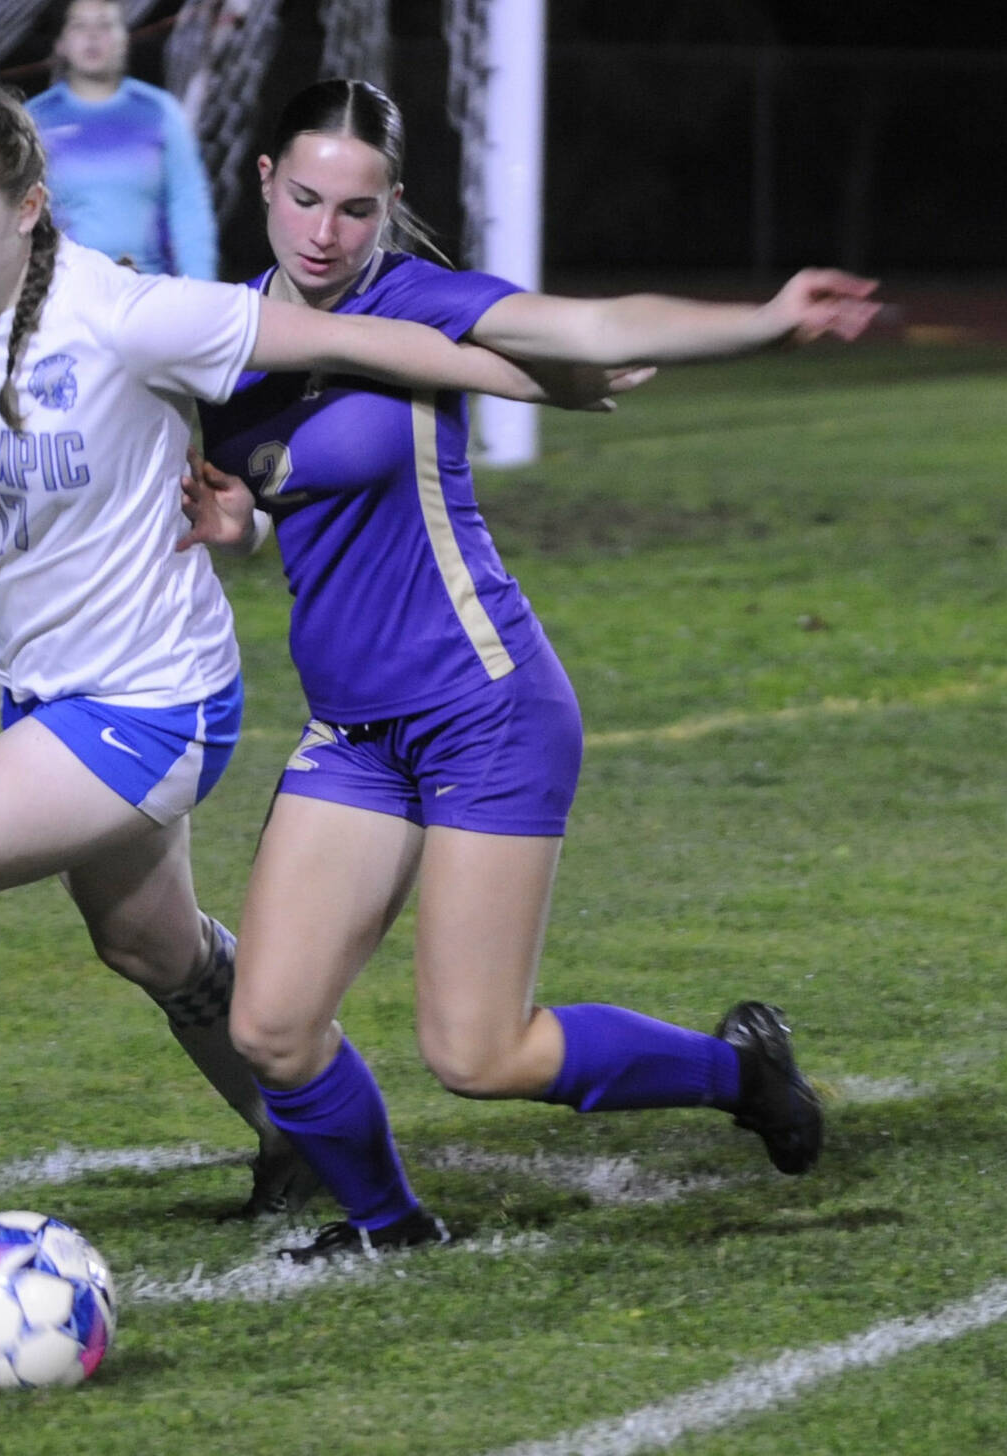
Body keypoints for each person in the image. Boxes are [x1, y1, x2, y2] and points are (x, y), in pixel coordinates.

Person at [0, 78, 621, 1230]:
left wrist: (545, 378)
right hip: (45, 694)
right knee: (154, 952)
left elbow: (348, 335)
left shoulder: (123, 313)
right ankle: (300, 1136)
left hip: (153, 703)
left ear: (29, 208)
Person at [181, 79, 881, 1261]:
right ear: (262, 181)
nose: (322, 232)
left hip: (480, 708)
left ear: (390, 209)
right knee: (272, 1027)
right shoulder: (219, 333)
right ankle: (392, 1229)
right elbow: (258, 507)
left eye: (355, 209)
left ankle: (740, 1073)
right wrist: (233, 530)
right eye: (303, 199)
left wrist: (763, 317)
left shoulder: (421, 304)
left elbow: (595, 329)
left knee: (477, 1051)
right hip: (353, 729)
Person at [26, 0, 217, 279]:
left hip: (149, 289)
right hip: (62, 292)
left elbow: (188, 202)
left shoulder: (160, 111)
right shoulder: (34, 117)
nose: (92, 36)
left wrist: (203, 288)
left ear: (125, 39)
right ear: (60, 43)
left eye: (105, 25)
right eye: (80, 26)